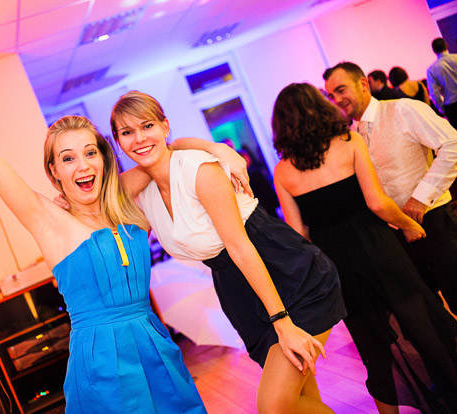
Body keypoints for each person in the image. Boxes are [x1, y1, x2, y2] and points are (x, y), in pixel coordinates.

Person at [0, 26, 208, 414]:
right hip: (103, 365)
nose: (82, 165)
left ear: (104, 159)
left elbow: (164, 153)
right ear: (54, 172)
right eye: (68, 158)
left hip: (156, 347)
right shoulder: (47, 220)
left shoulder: (124, 197)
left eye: (90, 153)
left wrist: (217, 150)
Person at [109, 90, 347, 414]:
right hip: (239, 290)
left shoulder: (200, 170)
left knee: (275, 405)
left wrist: (282, 321)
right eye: (127, 132)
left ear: (165, 126)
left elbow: (240, 246)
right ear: (118, 141)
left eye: (147, 125)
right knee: (297, 400)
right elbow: (103, 196)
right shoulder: (143, 191)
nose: (138, 138)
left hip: (285, 273)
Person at [272, 82, 457, 414]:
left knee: (371, 345)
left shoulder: (283, 171)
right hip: (378, 247)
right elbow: (377, 202)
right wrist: (408, 225)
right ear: (321, 109)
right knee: (422, 320)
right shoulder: (349, 142)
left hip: (335, 263)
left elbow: (298, 233)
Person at [323, 61, 457, 322]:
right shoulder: (350, 137)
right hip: (395, 237)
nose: (337, 100)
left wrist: (421, 198)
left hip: (435, 220)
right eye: (331, 95)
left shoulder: (403, 109)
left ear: (363, 84)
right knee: (429, 312)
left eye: (341, 90)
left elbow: (454, 144)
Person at [427, 37, 457, 135]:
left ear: (434, 51)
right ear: (446, 45)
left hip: (452, 107)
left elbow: (434, 94)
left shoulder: (431, 69)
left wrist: (442, 108)